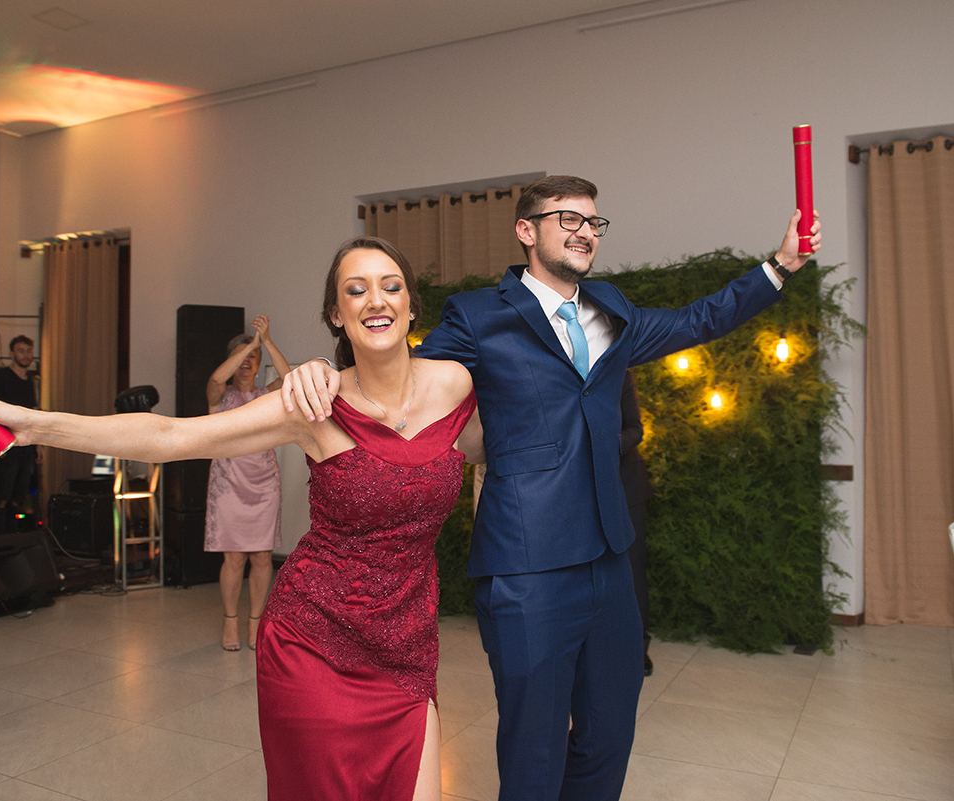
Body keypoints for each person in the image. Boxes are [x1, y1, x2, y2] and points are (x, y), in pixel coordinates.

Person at [280, 175, 821, 799]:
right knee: (534, 749)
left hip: (609, 559)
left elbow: (698, 318)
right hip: (525, 568)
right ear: (526, 231)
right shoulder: (479, 316)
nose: (584, 231)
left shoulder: (611, 309)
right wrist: (329, 366)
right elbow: (402, 364)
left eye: (593, 222)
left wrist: (780, 266)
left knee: (609, 733)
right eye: (568, 218)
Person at [0, 236, 482, 801]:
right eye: (356, 290)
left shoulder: (456, 386)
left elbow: (517, 445)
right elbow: (172, 436)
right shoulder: (311, 406)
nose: (376, 300)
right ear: (336, 313)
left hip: (407, 647)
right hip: (315, 641)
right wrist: (31, 424)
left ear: (411, 306)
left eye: (390, 286)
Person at [204, 315, 290, 651]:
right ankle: (230, 622)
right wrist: (249, 345)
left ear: (258, 367)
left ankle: (256, 622)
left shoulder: (266, 396)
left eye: (252, 359)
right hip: (229, 483)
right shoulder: (219, 397)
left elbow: (289, 379)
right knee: (235, 558)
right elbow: (215, 377)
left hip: (264, 484)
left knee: (262, 556)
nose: (247, 363)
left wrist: (266, 342)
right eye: (241, 358)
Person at [0, 335, 43, 534]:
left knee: (19, 496)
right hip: (5, 446)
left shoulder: (31, 380)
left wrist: (38, 444)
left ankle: (12, 540)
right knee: (1, 496)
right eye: (20, 350)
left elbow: (32, 414)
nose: (25, 355)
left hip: (26, 446)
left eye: (28, 351)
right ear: (11, 354)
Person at [619, 369, 654, 677]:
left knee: (632, 569)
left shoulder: (621, 374)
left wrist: (597, 447)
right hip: (580, 490)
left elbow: (635, 431)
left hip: (626, 485)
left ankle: (638, 649)